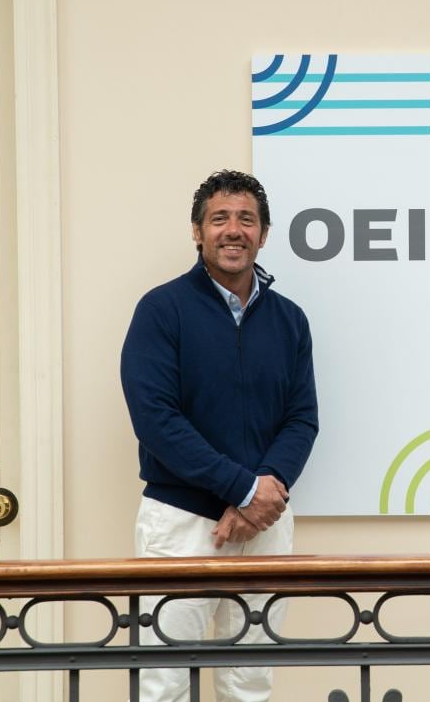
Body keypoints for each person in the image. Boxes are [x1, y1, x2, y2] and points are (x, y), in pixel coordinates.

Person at [120, 170, 318, 702]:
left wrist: (263, 493)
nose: (234, 230)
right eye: (220, 218)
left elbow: (302, 418)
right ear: (197, 231)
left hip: (266, 526)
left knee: (250, 680)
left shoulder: (290, 320)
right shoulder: (161, 310)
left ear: (264, 234)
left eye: (247, 219)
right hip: (181, 523)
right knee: (164, 684)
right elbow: (156, 419)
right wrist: (243, 489)